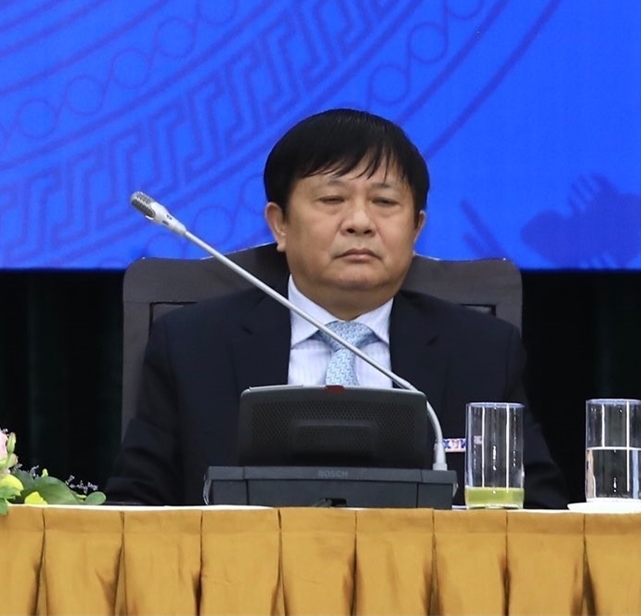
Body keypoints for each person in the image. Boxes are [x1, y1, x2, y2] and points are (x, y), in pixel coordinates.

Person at [112, 109, 564, 507]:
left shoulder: (481, 352)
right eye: (332, 200)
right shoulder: (193, 346)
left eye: (384, 202)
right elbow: (135, 508)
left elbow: (540, 512)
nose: (360, 222)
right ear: (280, 224)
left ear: (416, 228)